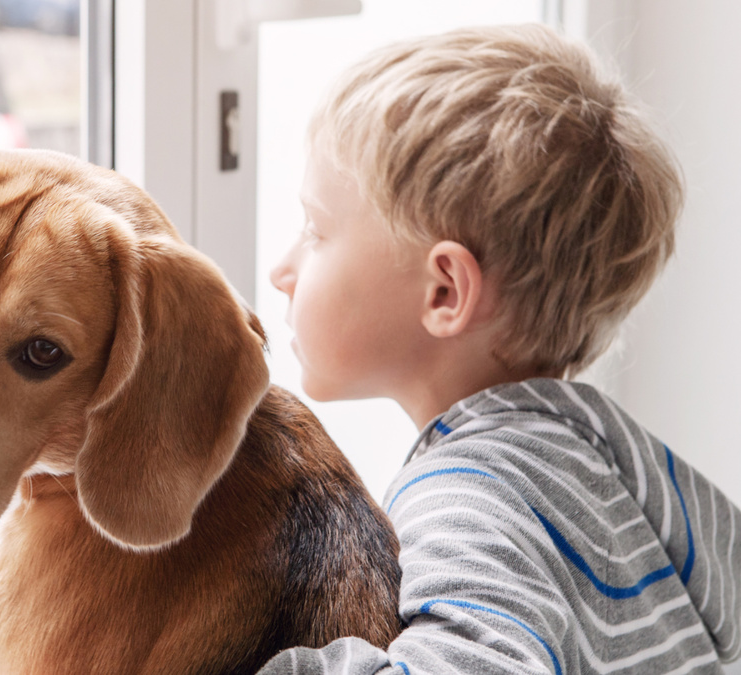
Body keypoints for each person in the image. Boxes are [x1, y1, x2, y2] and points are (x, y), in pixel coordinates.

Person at [259, 24, 741, 674]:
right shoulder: (616, 458)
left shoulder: (469, 496)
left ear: (445, 291)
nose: (281, 270)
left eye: (315, 229)